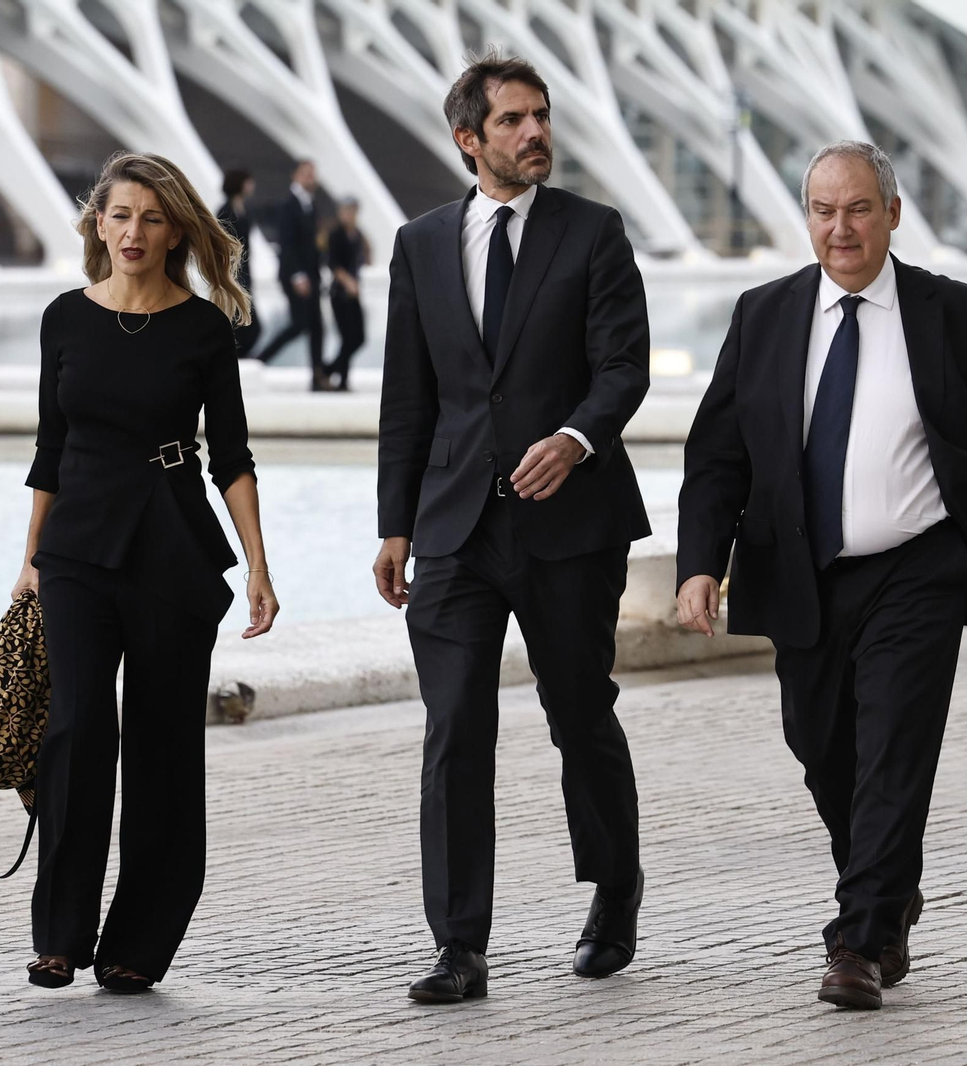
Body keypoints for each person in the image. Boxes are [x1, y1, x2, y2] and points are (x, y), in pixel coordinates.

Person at [675, 140, 967, 1010]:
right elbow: (717, 456)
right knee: (824, 753)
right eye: (824, 211)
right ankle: (889, 893)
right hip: (800, 573)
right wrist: (699, 565)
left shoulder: (954, 314)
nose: (841, 228)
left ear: (892, 214)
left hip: (917, 570)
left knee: (895, 751)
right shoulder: (763, 314)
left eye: (859, 209)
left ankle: (858, 942)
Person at [374, 50, 652, 1004]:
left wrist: (574, 439)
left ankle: (614, 887)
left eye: (541, 115)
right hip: (454, 528)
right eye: (512, 120)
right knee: (455, 727)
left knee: (579, 712)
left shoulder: (593, 232)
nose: (535, 133)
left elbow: (624, 367)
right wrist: (395, 524)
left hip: (570, 525)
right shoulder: (419, 244)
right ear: (468, 139)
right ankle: (459, 946)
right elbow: (408, 397)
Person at [11, 151, 279, 994]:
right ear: (98, 223)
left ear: (175, 233)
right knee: (76, 730)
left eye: (151, 218)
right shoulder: (65, 317)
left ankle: (137, 944)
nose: (133, 232)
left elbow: (231, 456)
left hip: (170, 546)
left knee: (164, 746)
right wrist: (29, 561)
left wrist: (260, 565)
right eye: (120, 215)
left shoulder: (202, 328)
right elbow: (49, 449)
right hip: (77, 552)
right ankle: (60, 935)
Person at [253, 160, 327, 390]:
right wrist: (297, 275)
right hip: (296, 276)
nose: (311, 177)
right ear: (295, 175)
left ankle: (318, 377)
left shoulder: (310, 204)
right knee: (300, 324)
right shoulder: (288, 204)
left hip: (311, 276)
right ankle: (258, 361)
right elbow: (287, 243)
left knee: (316, 326)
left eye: (312, 173)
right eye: (306, 173)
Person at [216, 168, 262, 356]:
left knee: (247, 327)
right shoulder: (225, 211)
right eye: (248, 181)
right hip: (232, 275)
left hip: (244, 273)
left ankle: (236, 360)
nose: (252, 186)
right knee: (247, 326)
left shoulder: (244, 209)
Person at [325, 196, 368, 391]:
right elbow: (333, 264)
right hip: (340, 293)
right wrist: (348, 282)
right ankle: (340, 378)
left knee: (358, 338)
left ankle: (329, 370)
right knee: (347, 337)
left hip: (353, 293)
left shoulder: (357, 235)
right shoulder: (336, 235)